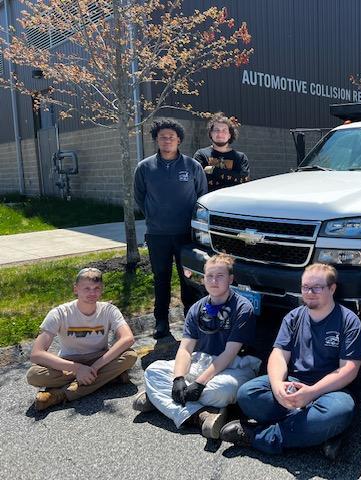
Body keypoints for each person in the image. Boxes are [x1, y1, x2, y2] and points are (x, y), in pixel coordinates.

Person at [219, 263, 361, 459]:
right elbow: (278, 355)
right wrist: (278, 385)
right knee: (247, 394)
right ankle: (318, 432)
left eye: (317, 287)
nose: (309, 292)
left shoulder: (349, 321)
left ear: (332, 289)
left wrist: (312, 392)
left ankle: (257, 436)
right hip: (294, 383)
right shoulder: (293, 317)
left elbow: (349, 369)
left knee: (340, 411)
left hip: (330, 392)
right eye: (305, 287)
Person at [133, 254, 260, 439]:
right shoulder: (196, 309)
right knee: (152, 371)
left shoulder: (243, 307)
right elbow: (185, 349)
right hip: (201, 362)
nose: (214, 281)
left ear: (231, 279)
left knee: (223, 390)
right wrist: (177, 379)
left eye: (220, 276)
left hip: (234, 366)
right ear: (203, 278)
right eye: (209, 276)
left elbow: (230, 353)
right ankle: (199, 415)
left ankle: (159, 399)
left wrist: (200, 383)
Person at [134, 119, 208, 339]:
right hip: (158, 234)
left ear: (179, 140)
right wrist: (154, 216)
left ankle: (191, 318)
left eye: (171, 137)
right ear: (156, 140)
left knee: (189, 277)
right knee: (161, 277)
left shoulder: (192, 166)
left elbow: (201, 195)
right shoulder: (145, 167)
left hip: (186, 234)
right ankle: (161, 321)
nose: (167, 140)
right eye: (163, 137)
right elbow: (140, 197)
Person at [26, 268, 137, 411]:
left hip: (99, 359)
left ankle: (59, 395)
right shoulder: (59, 313)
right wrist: (78, 369)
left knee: (130, 356)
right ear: (75, 289)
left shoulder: (109, 310)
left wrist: (94, 367)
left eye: (96, 288)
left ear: (101, 289)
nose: (92, 293)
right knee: (34, 375)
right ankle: (109, 378)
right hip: (69, 362)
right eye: (87, 288)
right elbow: (36, 354)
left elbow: (127, 338)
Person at [193, 112, 250, 192]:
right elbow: (197, 180)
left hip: (232, 201)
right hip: (207, 201)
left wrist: (213, 170)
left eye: (224, 130)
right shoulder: (201, 155)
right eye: (216, 130)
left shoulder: (240, 157)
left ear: (230, 135)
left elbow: (244, 180)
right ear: (211, 133)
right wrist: (232, 176)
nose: (220, 133)